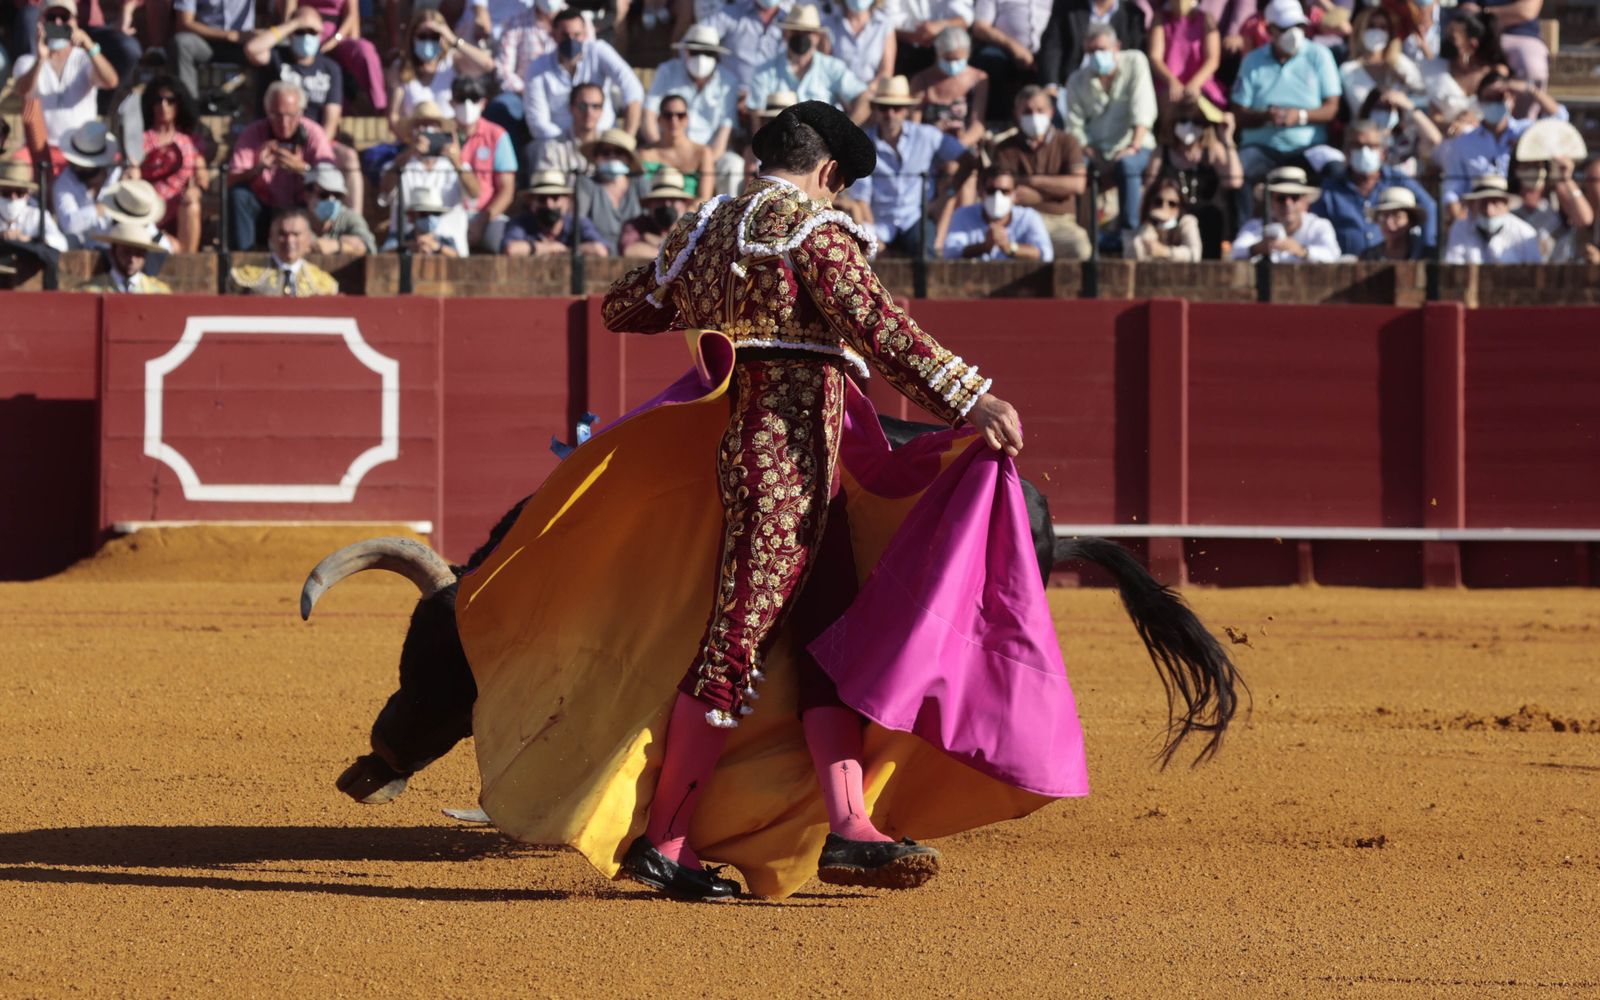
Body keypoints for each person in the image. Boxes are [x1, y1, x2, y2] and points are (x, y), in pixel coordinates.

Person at [457, 99, 1064, 905]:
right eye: (838, 187)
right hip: (789, 465)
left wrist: (714, 297)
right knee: (735, 645)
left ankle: (850, 828)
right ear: (828, 174)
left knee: (825, 636)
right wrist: (972, 399)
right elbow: (881, 327)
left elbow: (626, 306)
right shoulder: (811, 233)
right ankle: (667, 842)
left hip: (760, 457)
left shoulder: (705, 232)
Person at [244, 7, 364, 214]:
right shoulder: (277, 58)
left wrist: (311, 153)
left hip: (318, 141)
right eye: (300, 31)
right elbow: (252, 49)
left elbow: (331, 120)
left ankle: (354, 223)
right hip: (276, 139)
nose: (306, 36)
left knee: (350, 158)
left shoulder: (330, 67)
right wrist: (293, 23)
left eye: (312, 31)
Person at [839, 74, 965, 255]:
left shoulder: (927, 136)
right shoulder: (862, 143)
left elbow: (968, 159)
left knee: (925, 252)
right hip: (878, 221)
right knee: (860, 256)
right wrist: (872, 234)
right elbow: (862, 200)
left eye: (896, 108)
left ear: (907, 110)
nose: (890, 114)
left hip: (915, 217)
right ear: (875, 109)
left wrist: (948, 194)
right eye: (884, 108)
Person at [1230, 0, 1341, 191]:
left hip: (1308, 146)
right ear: (1270, 29)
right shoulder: (1252, 60)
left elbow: (1332, 108)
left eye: (1299, 26)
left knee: (1335, 168)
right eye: (1286, 27)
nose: (1294, 32)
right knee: (1236, 171)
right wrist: (1266, 116)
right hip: (1262, 146)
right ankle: (1245, 223)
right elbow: (1238, 112)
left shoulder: (1319, 55)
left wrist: (1299, 116)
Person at [1061, 23, 1155, 247]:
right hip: (1095, 151)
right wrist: (1094, 156)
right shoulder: (1076, 80)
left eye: (1102, 49)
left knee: (1128, 166)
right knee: (1077, 167)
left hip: (1135, 145)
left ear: (1117, 46)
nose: (1097, 56)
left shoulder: (1135, 61)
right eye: (1091, 52)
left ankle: (1128, 233)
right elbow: (1074, 128)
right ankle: (1085, 234)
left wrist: (1133, 146)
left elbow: (1143, 109)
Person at [1435, 71, 1565, 218]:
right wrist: (1461, 221)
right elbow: (1452, 188)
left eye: (1500, 97)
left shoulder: (1527, 132)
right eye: (1489, 98)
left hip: (1525, 212)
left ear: (1512, 99)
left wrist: (1530, 89)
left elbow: (1560, 119)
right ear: (1479, 102)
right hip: (1482, 215)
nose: (1495, 103)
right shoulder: (1463, 142)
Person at [227, 79, 337, 250]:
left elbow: (331, 179)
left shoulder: (313, 132)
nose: (284, 123)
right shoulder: (253, 132)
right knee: (239, 195)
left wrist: (304, 169)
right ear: (267, 111)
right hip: (264, 209)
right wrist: (257, 169)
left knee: (323, 198)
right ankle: (242, 255)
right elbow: (231, 179)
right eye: (277, 115)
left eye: (291, 116)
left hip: (302, 209)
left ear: (301, 112)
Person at [991, 84, 1090, 260]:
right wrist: (1056, 187)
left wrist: (1031, 182)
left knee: (1080, 246)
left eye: (1040, 110)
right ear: (1017, 114)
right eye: (1027, 111)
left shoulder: (1068, 142)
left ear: (1051, 112)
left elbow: (1077, 184)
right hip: (1018, 222)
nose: (1034, 116)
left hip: (1059, 221)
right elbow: (1006, 189)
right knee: (999, 248)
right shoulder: (1005, 148)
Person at [1312, 118, 1436, 257]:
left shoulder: (1398, 179)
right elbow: (1316, 228)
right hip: (1346, 269)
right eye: (1357, 146)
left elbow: (1429, 207)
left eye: (1372, 146)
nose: (1365, 152)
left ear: (1383, 152)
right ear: (1347, 152)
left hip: (1396, 265)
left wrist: (1427, 250)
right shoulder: (1330, 189)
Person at [523, 8, 643, 145]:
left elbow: (633, 89)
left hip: (604, 143)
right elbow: (538, 123)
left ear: (585, 34)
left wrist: (627, 137)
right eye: (565, 35)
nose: (571, 40)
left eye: (577, 35)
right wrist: (571, 144)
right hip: (559, 146)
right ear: (553, 35)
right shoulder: (537, 68)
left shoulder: (599, 51)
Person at [13, 0, 119, 154]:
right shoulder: (27, 61)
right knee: (15, 170)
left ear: (75, 22)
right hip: (41, 150)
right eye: (51, 17)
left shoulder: (84, 58)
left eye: (64, 17)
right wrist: (40, 60)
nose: (57, 22)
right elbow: (22, 91)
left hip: (81, 148)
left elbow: (111, 82)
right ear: (40, 21)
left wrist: (90, 46)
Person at [1144, 99, 1241, 257]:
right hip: (1173, 219)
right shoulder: (1162, 151)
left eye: (1196, 121)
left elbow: (1234, 181)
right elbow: (1148, 187)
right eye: (1184, 120)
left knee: (1211, 217)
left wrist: (1227, 140)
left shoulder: (1212, 150)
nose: (1189, 126)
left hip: (1207, 220)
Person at [644, 23, 740, 183]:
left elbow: (724, 134)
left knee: (733, 165)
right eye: (695, 52)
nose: (701, 58)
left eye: (707, 53)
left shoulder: (728, 82)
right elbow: (649, 115)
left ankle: (729, 209)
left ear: (716, 55)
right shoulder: (667, 71)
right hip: (666, 152)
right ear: (685, 51)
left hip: (710, 156)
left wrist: (704, 161)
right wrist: (662, 151)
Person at [379, 101, 475, 257]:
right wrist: (409, 153)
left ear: (440, 131)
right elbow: (385, 190)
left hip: (449, 246)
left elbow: (475, 193)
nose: (426, 130)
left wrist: (456, 161)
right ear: (412, 132)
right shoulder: (399, 163)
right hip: (404, 240)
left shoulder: (456, 166)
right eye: (420, 125)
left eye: (432, 125)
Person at [385, 8, 493, 148]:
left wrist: (454, 40)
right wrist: (412, 143)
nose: (428, 41)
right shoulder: (400, 68)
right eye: (422, 36)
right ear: (412, 36)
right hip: (413, 143)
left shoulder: (452, 62)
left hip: (450, 142)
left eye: (434, 36)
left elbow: (487, 65)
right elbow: (394, 117)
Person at [746, 5, 870, 125]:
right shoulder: (765, 72)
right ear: (785, 34)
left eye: (807, 32)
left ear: (817, 37)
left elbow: (863, 97)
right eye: (795, 31)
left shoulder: (832, 68)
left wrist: (844, 135)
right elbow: (757, 116)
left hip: (822, 143)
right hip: (780, 141)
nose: (801, 37)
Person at [485, 0, 560, 168]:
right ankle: (510, 172)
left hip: (562, 95)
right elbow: (503, 70)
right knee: (500, 108)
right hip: (522, 94)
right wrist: (530, 93)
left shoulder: (576, 22)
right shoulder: (515, 23)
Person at [276, 0, 387, 112]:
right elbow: (288, 16)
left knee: (365, 50)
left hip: (339, 37)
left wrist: (335, 40)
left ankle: (379, 105)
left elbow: (352, 15)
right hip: (306, 37)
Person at [138, 74, 205, 252]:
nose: (163, 106)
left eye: (170, 100)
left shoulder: (190, 142)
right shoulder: (141, 140)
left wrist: (194, 190)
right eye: (158, 100)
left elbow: (203, 179)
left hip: (180, 211)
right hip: (148, 211)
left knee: (192, 204)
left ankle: (188, 263)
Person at [451, 73, 517, 252]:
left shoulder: (497, 135)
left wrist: (482, 221)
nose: (467, 105)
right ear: (451, 103)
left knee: (508, 242)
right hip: (449, 214)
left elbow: (507, 190)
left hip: (487, 215)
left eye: (473, 99)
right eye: (461, 99)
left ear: (483, 103)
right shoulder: (442, 134)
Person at [1229, 164, 1340, 261]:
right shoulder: (1255, 226)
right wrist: (1258, 248)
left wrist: (1302, 251)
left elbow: (1333, 255)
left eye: (1294, 197)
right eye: (1281, 198)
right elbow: (1234, 252)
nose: (1288, 203)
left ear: (1304, 201)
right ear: (1270, 201)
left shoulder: (1319, 226)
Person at [941, 166, 1051, 259]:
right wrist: (984, 247)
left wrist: (1010, 247)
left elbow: (1045, 253)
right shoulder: (963, 214)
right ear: (981, 191)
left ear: (1014, 194)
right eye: (991, 191)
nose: (998, 197)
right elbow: (950, 251)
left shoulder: (1029, 217)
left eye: (1005, 191)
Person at [227, 206, 340, 294]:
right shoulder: (243, 278)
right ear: (271, 236)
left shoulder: (325, 284)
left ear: (308, 238)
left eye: (296, 234)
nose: (289, 241)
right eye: (282, 234)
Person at [908, 25, 988, 149]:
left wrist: (958, 145)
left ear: (967, 55)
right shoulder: (921, 80)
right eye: (948, 59)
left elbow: (978, 124)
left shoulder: (979, 79)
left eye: (958, 59)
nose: (953, 64)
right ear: (938, 54)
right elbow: (913, 124)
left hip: (963, 145)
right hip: (929, 144)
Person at [501, 167, 611, 255]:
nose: (549, 205)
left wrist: (565, 251)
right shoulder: (521, 223)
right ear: (531, 202)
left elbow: (600, 250)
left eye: (555, 197)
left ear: (567, 201)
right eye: (542, 199)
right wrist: (548, 248)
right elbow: (511, 249)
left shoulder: (579, 223)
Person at [1040, 0, 1146, 91]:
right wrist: (1051, 85)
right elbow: (1052, 47)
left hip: (1115, 88)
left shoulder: (1133, 15)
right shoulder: (1067, 6)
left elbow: (1132, 56)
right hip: (1070, 87)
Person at [1339, 5, 1421, 117]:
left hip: (1402, 132)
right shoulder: (1348, 69)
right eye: (1371, 26)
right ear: (1360, 30)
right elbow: (1358, 107)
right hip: (1366, 131)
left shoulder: (1400, 63)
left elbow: (1422, 93)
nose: (1376, 32)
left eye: (1383, 27)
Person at [969, 0, 1050, 113]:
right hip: (1004, 50)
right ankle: (996, 119)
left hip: (1046, 53)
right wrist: (1013, 47)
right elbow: (980, 27)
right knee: (991, 60)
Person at [576, 127, 648, 253]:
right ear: (596, 157)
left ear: (628, 159)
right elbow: (580, 221)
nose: (612, 156)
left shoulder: (640, 184)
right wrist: (601, 245)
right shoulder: (586, 184)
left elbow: (650, 219)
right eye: (605, 152)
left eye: (619, 152)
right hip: (598, 257)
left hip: (636, 256)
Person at [1511, 154, 1593, 263]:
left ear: (1545, 169)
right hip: (1516, 272)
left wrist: (1567, 178)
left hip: (1556, 273)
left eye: (1536, 165)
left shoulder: (1557, 200)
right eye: (1525, 165)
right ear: (1515, 170)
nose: (1531, 170)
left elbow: (1585, 219)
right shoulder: (1507, 203)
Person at [53, 120, 122, 249]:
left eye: (83, 165)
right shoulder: (64, 183)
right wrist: (101, 209)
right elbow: (69, 224)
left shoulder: (119, 177)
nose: (77, 167)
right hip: (79, 251)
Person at [1442, 172, 1540, 263]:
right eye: (1483, 203)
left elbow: (1535, 273)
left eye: (1495, 202)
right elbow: (1452, 267)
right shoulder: (1460, 228)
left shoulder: (1525, 234)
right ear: (1473, 205)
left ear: (1506, 205)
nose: (1489, 211)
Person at [167, 0, 254, 101]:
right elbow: (185, 23)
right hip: (206, 42)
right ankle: (189, 107)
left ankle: (267, 111)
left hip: (243, 44)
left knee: (269, 50)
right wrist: (228, 35)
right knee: (181, 43)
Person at [1148, 0, 1225, 111]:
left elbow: (1213, 60)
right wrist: (1172, 82)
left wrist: (1195, 84)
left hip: (1201, 83)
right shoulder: (1160, 19)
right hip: (1167, 85)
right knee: (1169, 108)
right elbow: (1155, 58)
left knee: (1202, 109)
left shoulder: (1206, 19)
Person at [704, 0, 792, 93]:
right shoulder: (730, 13)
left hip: (774, 99)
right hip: (729, 97)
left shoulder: (792, 20)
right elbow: (695, 41)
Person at [1355, 83, 1441, 178]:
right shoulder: (1358, 139)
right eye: (1379, 107)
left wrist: (1409, 106)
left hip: (1403, 189)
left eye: (1389, 108)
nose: (1384, 112)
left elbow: (1434, 140)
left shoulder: (1406, 138)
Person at [640, 94, 717, 200]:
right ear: (659, 119)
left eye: (680, 115)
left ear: (686, 119)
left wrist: (684, 216)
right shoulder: (645, 154)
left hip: (693, 214)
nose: (674, 121)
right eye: (668, 115)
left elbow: (704, 197)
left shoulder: (703, 153)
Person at [1458, 0, 1546, 92]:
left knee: (1532, 69)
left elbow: (1526, 11)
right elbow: (1467, 10)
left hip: (1522, 36)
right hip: (1481, 36)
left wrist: (1484, 12)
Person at [530, 82, 605, 177]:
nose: (589, 112)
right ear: (571, 108)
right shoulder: (552, 148)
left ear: (602, 110)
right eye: (583, 106)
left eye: (595, 106)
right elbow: (547, 189)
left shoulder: (611, 149)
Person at [619, 166, 694, 257]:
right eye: (660, 199)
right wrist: (671, 251)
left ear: (684, 204)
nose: (667, 204)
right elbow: (629, 250)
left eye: (673, 199)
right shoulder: (636, 226)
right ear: (650, 204)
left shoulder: (693, 228)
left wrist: (657, 241)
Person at [302, 161, 375, 255]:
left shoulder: (349, 218)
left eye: (337, 195)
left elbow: (369, 248)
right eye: (324, 194)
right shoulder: (296, 220)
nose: (331, 200)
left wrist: (336, 246)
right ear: (307, 195)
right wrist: (349, 245)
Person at [81, 219, 172, 293]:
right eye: (126, 252)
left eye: (138, 253)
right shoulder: (89, 291)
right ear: (112, 252)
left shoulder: (159, 293)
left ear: (145, 255)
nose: (132, 259)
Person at [890, 0, 974, 78]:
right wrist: (914, 37)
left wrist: (939, 27)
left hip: (945, 49)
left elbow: (964, 18)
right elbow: (885, 20)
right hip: (902, 49)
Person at [1126, 174, 1203, 260]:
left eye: (1172, 204)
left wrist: (1165, 251)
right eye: (1158, 202)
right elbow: (1134, 254)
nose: (1164, 207)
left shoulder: (1187, 221)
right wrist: (1150, 225)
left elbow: (1195, 255)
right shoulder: (1144, 224)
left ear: (1180, 207)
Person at [0, 156, 69, 251]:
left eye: (19, 192)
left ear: (27, 194)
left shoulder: (37, 215)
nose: (13, 197)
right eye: (6, 192)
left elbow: (61, 244)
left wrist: (30, 240)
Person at [824, 0, 896, 87]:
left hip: (871, 95)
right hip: (836, 96)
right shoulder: (828, 25)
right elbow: (824, 69)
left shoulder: (884, 25)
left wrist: (866, 92)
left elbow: (886, 72)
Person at [1358, 184, 1427, 260]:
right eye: (1384, 216)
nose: (1389, 222)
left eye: (1397, 216)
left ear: (1411, 220)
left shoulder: (1426, 256)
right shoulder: (1368, 257)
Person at [396, 186, 461, 255]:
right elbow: (385, 255)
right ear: (411, 216)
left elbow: (458, 260)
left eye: (435, 213)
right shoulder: (399, 240)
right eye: (424, 213)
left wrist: (438, 247)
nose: (430, 217)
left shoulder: (447, 241)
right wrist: (405, 247)